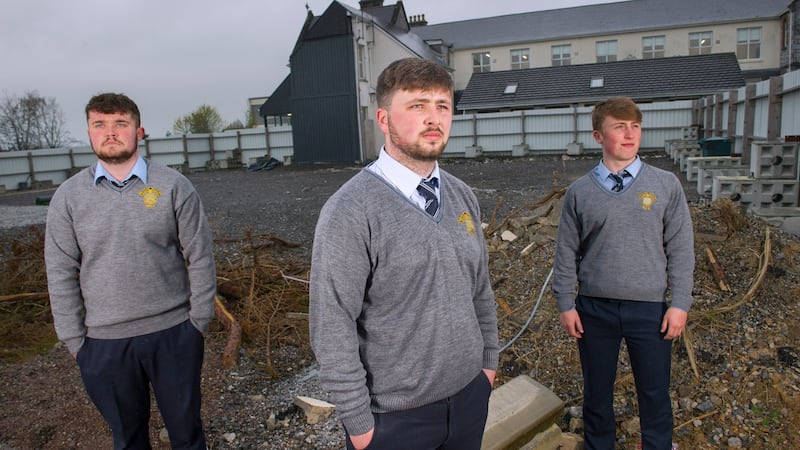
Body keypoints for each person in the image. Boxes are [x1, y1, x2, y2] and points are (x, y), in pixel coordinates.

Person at [309, 57, 499, 450]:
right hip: (393, 420)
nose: (434, 118)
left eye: (442, 106)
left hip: (469, 399)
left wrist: (488, 367)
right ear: (384, 119)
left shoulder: (462, 196)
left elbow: (480, 290)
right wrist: (360, 425)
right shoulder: (350, 210)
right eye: (417, 106)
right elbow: (332, 324)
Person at [44, 93, 216, 450]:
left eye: (120, 124)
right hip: (104, 344)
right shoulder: (68, 197)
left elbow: (199, 255)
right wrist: (74, 340)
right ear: (89, 133)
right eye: (100, 125)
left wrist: (198, 323)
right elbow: (60, 270)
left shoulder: (173, 186)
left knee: (187, 434)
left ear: (139, 131)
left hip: (173, 335)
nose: (110, 132)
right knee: (128, 438)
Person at [552, 96, 694, 449]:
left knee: (654, 390)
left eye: (636, 126)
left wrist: (680, 303)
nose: (630, 134)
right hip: (594, 310)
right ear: (599, 136)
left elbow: (680, 248)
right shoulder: (580, 192)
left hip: (649, 310)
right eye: (620, 126)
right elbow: (566, 251)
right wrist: (566, 303)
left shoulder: (665, 185)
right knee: (597, 391)